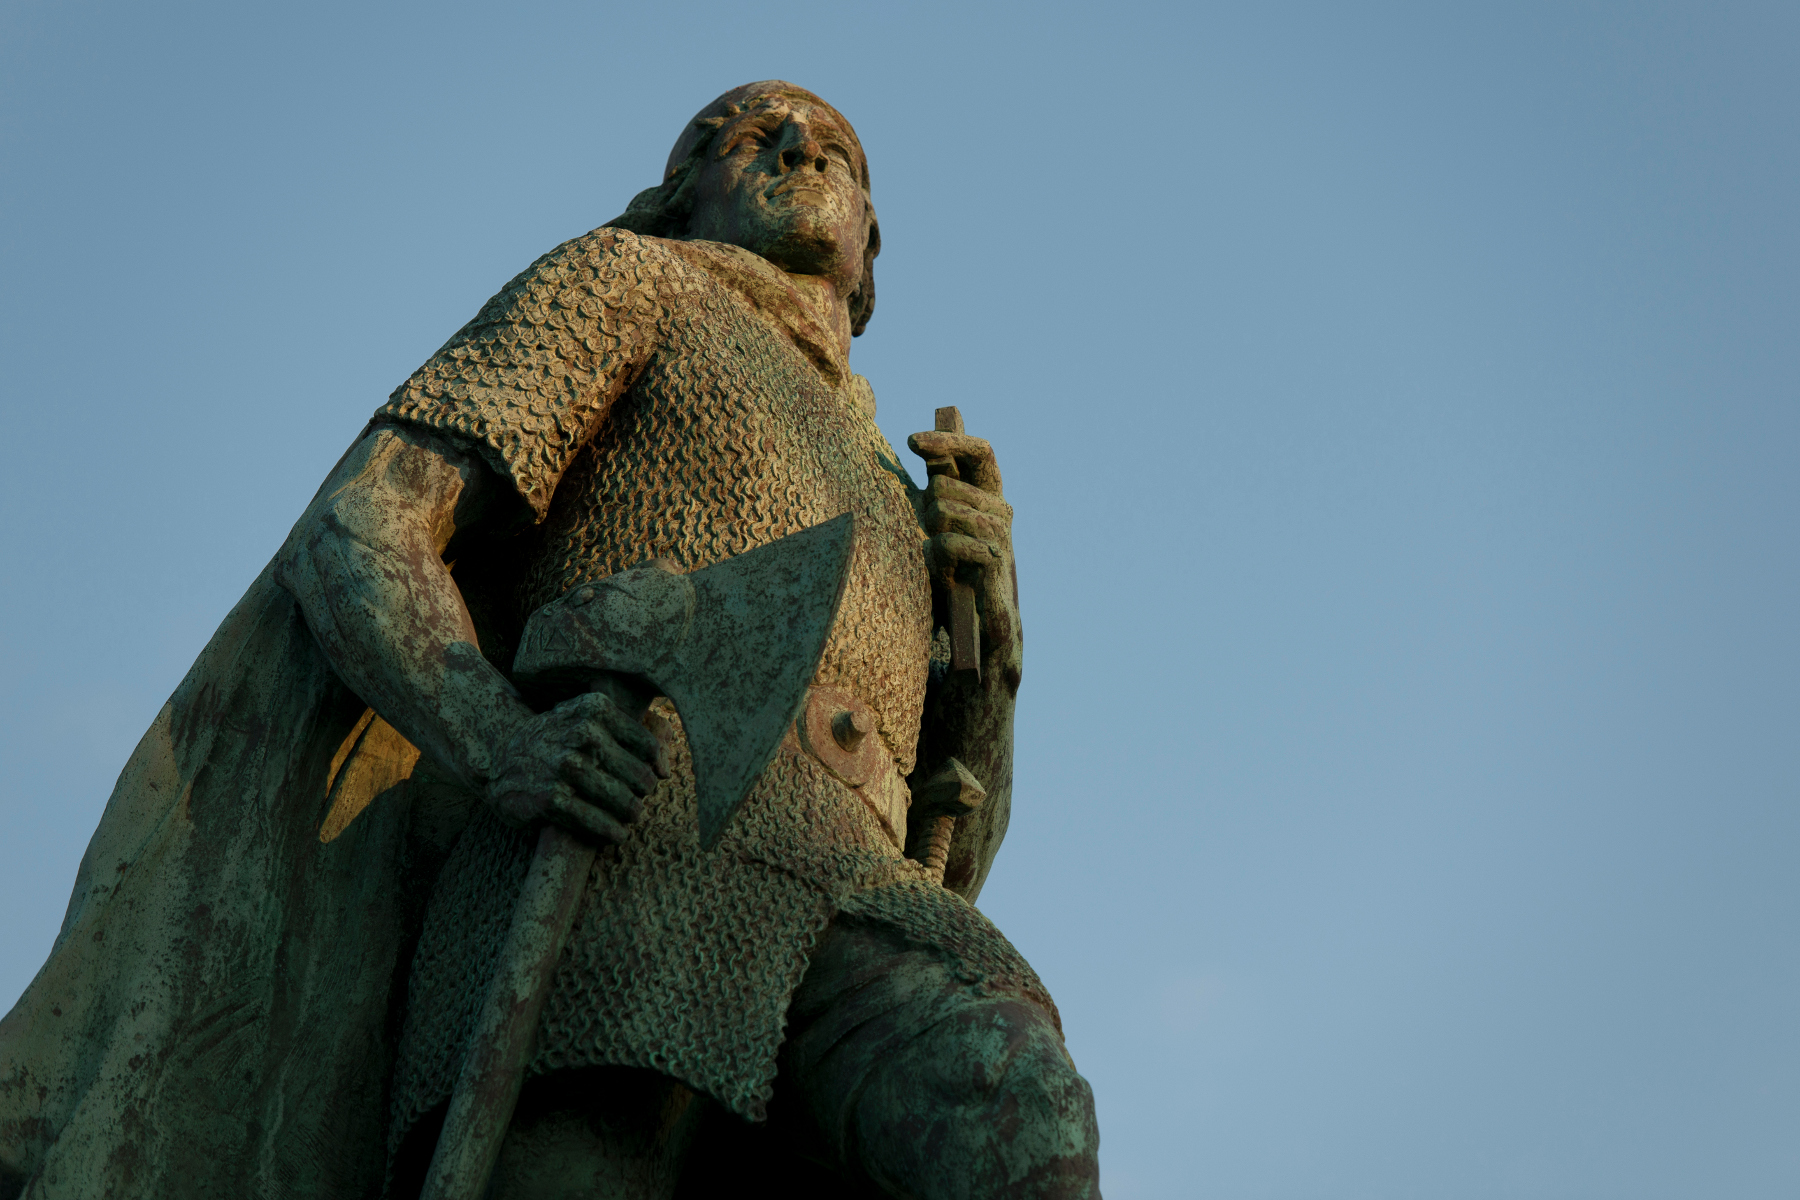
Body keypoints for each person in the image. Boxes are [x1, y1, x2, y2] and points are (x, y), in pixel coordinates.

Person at [0, 82, 1099, 1199]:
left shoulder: (903, 484)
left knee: (1020, 1102)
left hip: (846, 893)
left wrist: (993, 637)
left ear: (870, 251)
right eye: (745, 137)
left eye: (838, 152)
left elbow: (951, 854)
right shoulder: (631, 282)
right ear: (679, 198)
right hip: (613, 862)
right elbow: (363, 525)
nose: (799, 147)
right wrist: (498, 738)